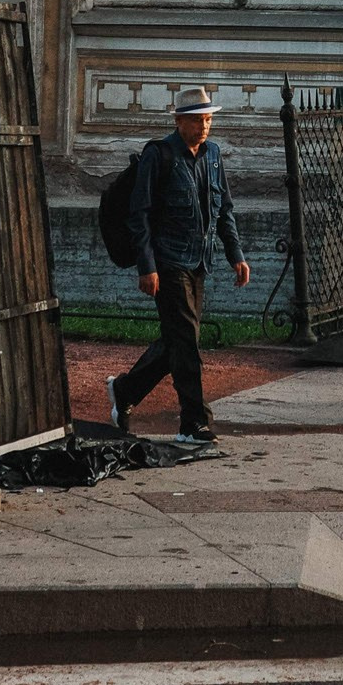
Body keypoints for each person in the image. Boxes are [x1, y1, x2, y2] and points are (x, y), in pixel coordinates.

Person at [108, 86, 248, 441]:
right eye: (197, 121)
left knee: (178, 340)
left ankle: (125, 390)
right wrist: (147, 266)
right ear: (179, 121)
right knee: (186, 342)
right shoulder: (159, 155)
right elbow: (139, 214)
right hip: (167, 261)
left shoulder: (213, 155)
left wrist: (235, 255)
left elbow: (224, 210)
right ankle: (193, 422)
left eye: (208, 120)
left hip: (199, 261)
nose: (204, 127)